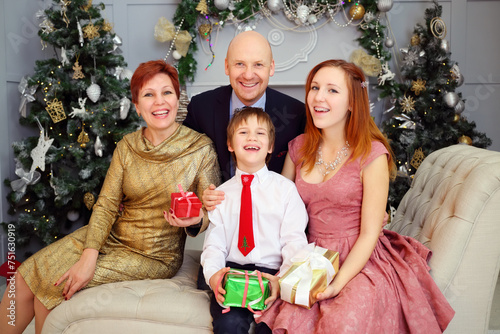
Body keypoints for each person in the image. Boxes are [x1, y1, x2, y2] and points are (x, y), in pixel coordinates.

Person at [0, 60, 220, 334]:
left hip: (154, 254)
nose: (159, 102)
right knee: (23, 277)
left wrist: (195, 217)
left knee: (53, 286)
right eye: (148, 95)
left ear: (178, 99)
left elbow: (211, 212)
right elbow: (105, 204)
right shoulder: (128, 145)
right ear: (137, 106)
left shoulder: (200, 148)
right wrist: (89, 255)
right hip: (111, 236)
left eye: (167, 92)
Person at [253, 59, 455, 333]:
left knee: (341, 323)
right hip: (308, 254)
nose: (318, 97)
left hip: (361, 258)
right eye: (314, 87)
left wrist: (337, 283)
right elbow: (276, 212)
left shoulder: (371, 154)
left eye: (332, 90)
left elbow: (369, 234)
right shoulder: (298, 148)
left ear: (352, 102)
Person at [201, 107, 308, 334]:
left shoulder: (286, 191)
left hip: (272, 275)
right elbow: (214, 245)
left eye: (260, 133)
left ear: (270, 146)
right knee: (228, 325)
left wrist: (282, 281)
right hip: (233, 274)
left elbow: (294, 242)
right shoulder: (221, 194)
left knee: (273, 328)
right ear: (230, 144)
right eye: (243, 132)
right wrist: (213, 276)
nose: (251, 137)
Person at [183, 30, 306, 183]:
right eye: (240, 64)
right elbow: (185, 165)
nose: (248, 75)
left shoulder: (297, 114)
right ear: (227, 66)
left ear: (271, 67)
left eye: (258, 64)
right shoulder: (200, 108)